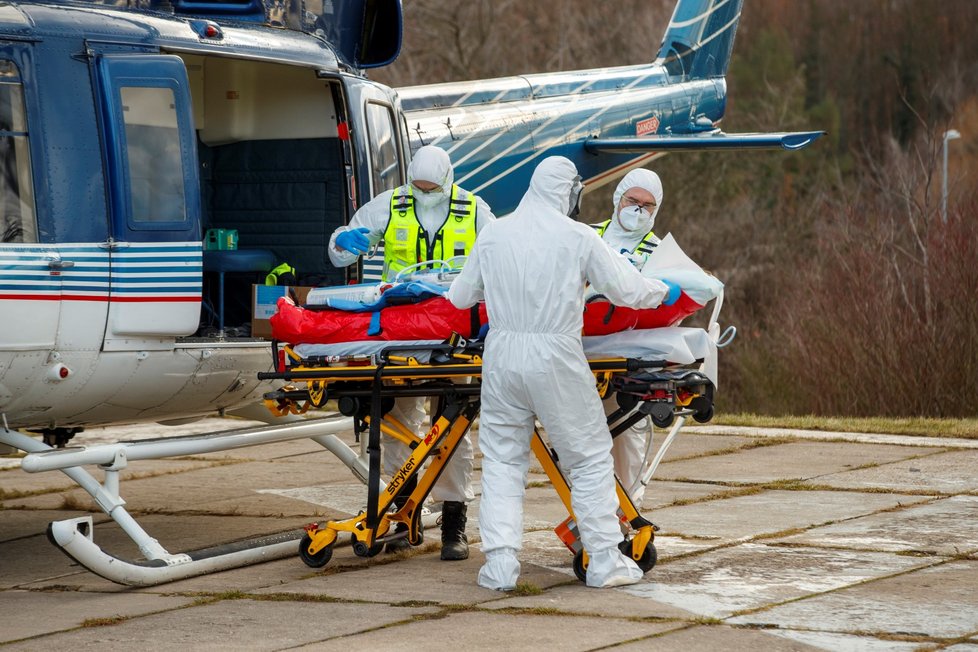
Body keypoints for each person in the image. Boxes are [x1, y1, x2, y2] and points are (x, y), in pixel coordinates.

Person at [446, 156, 679, 589]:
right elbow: (626, 289)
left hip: (503, 355)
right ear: (568, 192)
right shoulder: (576, 237)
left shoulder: (494, 232)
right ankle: (604, 559)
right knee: (589, 457)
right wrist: (667, 289)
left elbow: (460, 298)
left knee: (501, 460)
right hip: (556, 355)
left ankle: (499, 565)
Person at [328, 145, 495, 560]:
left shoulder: (477, 212)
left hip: (455, 331)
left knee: (452, 427)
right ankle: (404, 512)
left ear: (448, 180)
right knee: (396, 423)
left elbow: (503, 257)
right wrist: (345, 243)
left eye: (431, 188)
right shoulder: (390, 205)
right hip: (402, 332)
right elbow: (338, 251)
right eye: (418, 188)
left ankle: (454, 520)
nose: (424, 194)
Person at [589, 168, 664, 508]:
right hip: (582, 350)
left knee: (628, 438)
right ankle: (589, 515)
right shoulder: (586, 236)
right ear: (617, 199)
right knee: (580, 443)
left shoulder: (660, 251)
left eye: (647, 206)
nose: (638, 210)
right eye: (632, 201)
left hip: (630, 356)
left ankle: (625, 511)